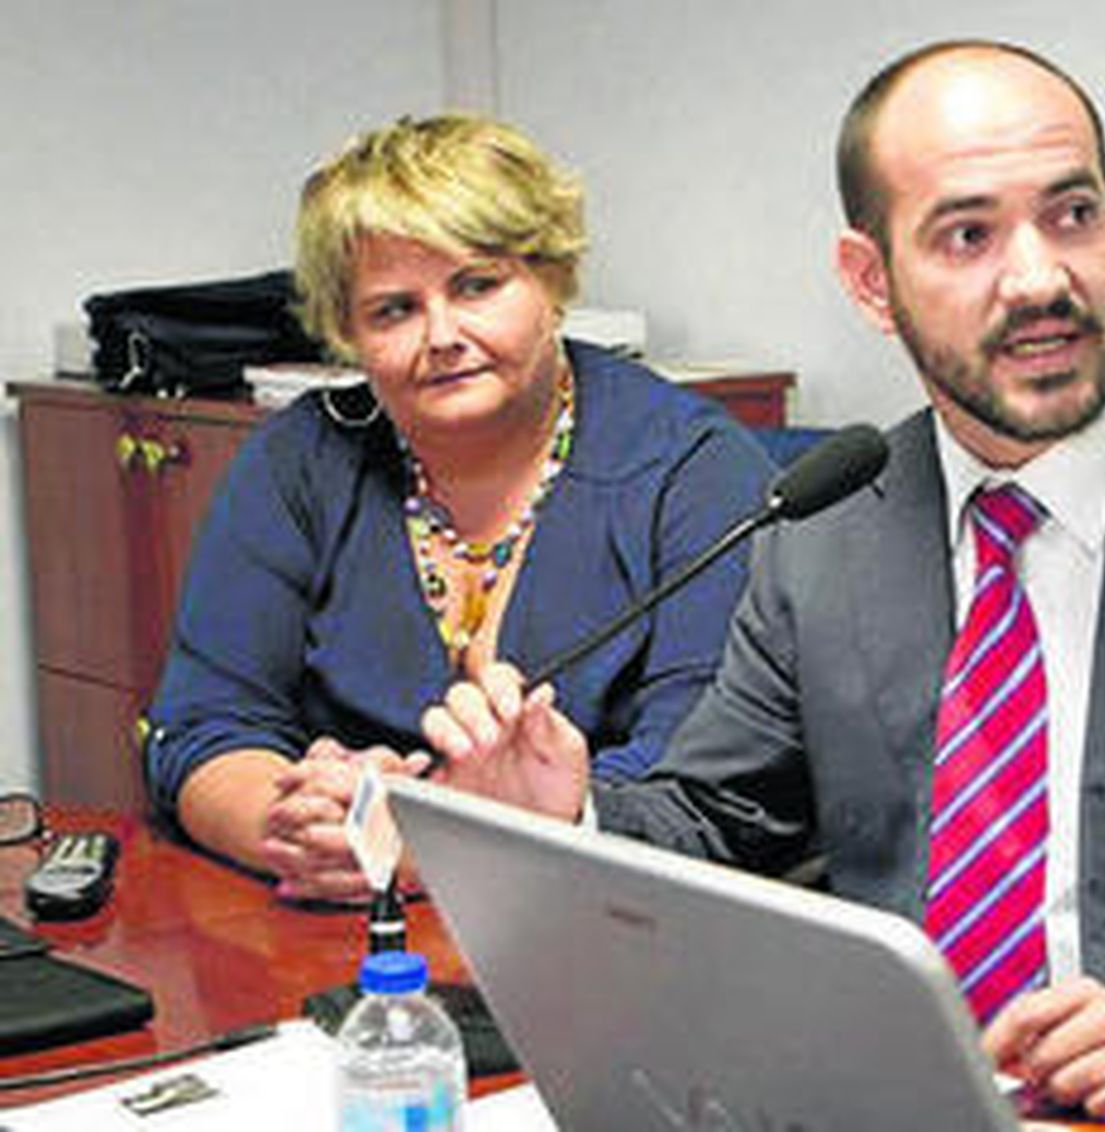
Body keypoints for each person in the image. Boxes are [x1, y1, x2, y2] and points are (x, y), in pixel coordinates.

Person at [417, 43, 1105, 1130]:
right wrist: (571, 816)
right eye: (967, 234)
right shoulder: (828, 527)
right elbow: (724, 818)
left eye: (1073, 214)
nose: (1041, 276)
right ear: (870, 280)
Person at [144, 114, 773, 904]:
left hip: (606, 926)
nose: (441, 335)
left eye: (477, 285)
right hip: (335, 935)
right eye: (393, 309)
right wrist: (304, 825)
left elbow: (703, 778)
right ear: (347, 334)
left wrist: (436, 839)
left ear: (551, 283)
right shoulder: (298, 460)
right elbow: (200, 726)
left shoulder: (694, 471)